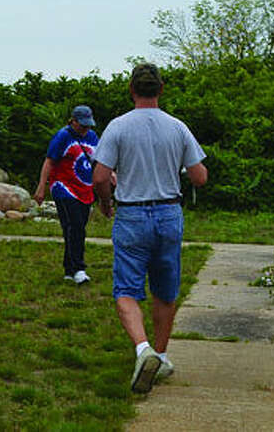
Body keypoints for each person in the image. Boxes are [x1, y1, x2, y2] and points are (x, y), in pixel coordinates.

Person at [92, 63, 207, 394]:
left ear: (131, 89)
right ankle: (162, 355)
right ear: (161, 88)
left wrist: (106, 203)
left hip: (132, 215)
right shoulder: (177, 127)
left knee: (126, 289)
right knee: (165, 290)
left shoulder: (118, 127)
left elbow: (100, 177)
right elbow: (199, 177)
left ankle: (143, 350)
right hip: (169, 213)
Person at [33, 104, 98, 284]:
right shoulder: (63, 136)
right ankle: (79, 269)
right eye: (82, 125)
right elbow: (49, 161)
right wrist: (41, 186)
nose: (86, 129)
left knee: (76, 227)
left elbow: (97, 160)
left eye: (88, 125)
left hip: (84, 188)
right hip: (64, 188)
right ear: (73, 121)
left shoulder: (92, 137)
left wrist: (110, 174)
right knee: (75, 226)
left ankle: (69, 269)